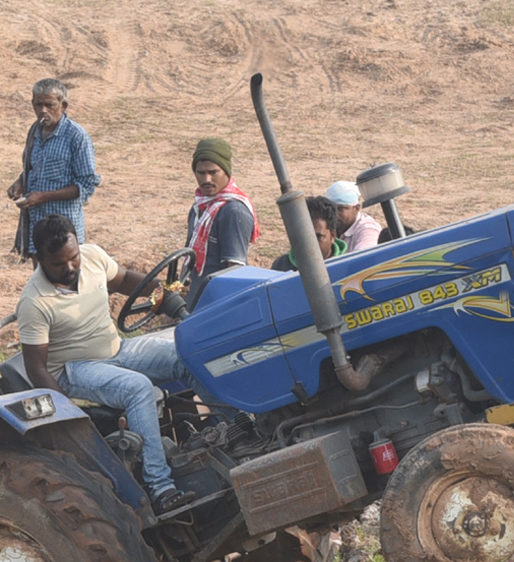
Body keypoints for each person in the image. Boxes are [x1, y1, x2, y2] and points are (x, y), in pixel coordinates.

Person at [17, 214, 195, 515]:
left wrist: (164, 297)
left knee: (187, 356)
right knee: (137, 388)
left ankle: (229, 436)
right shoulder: (34, 303)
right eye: (60, 264)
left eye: (73, 258)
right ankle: (161, 488)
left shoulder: (93, 256)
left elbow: (125, 279)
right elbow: (37, 368)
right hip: (75, 369)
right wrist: (68, 416)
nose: (71, 267)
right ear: (39, 259)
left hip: (117, 349)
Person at [8, 78, 101, 264]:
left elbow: (87, 184)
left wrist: (43, 196)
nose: (43, 110)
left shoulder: (76, 136)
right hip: (37, 225)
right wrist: (20, 182)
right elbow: (33, 167)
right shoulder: (35, 131)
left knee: (66, 278)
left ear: (63, 105)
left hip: (63, 230)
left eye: (49, 105)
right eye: (38, 104)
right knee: (41, 278)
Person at [185, 137, 260, 304]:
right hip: (193, 304)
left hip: (213, 306)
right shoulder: (199, 208)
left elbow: (234, 273)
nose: (206, 180)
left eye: (213, 172)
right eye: (201, 173)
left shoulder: (233, 212)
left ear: (226, 171)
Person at [270, 195, 346, 271]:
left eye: (318, 237)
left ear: (333, 236)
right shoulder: (282, 265)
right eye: (304, 236)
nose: (310, 245)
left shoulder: (347, 267)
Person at [326, 180, 381, 251]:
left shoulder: (367, 229)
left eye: (340, 208)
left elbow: (362, 259)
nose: (334, 213)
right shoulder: (326, 224)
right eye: (331, 208)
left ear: (356, 209)